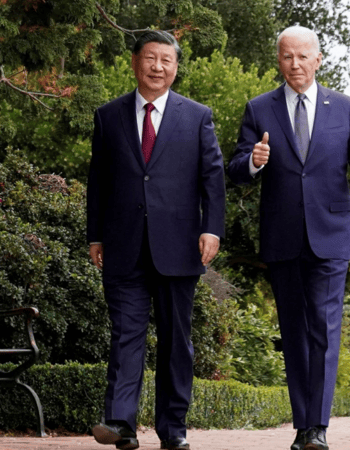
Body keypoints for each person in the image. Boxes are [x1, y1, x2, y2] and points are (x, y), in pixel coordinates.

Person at [228, 26, 350, 450]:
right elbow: (236, 167)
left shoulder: (345, 107)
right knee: (294, 333)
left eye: (302, 57)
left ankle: (318, 427)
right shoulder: (259, 108)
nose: (294, 65)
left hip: (330, 237)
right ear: (277, 60)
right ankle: (303, 425)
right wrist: (254, 163)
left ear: (318, 60)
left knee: (325, 330)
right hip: (282, 237)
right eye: (286, 57)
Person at [87, 30, 225, 450]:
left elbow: (212, 179)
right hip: (122, 244)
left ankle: (173, 428)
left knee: (174, 341)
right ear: (135, 62)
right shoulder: (108, 116)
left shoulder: (197, 116)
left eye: (166, 60)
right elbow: (99, 182)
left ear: (176, 67)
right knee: (126, 334)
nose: (158, 67)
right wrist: (95, 235)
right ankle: (121, 423)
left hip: (180, 245)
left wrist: (212, 228)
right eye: (150, 58)